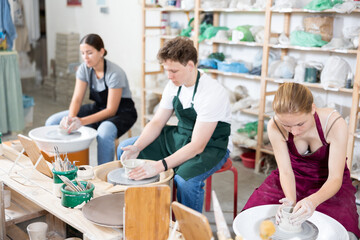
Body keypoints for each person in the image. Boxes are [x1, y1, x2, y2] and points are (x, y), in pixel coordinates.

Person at [117, 36, 232, 212]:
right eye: (166, 70)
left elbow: (197, 146)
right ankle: (146, 211)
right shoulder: (174, 84)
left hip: (210, 146)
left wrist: (159, 166)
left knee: (185, 181)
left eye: (174, 71)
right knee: (126, 148)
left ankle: (187, 231)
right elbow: (156, 122)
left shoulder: (211, 93)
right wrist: (137, 146)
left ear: (190, 65)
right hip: (181, 136)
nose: (169, 76)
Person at [243, 82, 360, 238]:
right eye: (287, 126)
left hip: (328, 183)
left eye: (300, 124)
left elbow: (335, 178)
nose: (295, 131)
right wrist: (290, 200)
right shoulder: (275, 126)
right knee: (251, 216)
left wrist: (312, 202)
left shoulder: (333, 123)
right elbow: (285, 171)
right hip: (291, 177)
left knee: (341, 231)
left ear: (312, 108)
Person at [46, 34, 137, 165]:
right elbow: (77, 99)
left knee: (104, 133)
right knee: (53, 121)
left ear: (101, 52)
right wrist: (71, 119)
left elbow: (111, 110)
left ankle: (102, 174)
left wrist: (81, 121)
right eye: (82, 53)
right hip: (98, 107)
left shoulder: (115, 73)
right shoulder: (84, 69)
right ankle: (64, 167)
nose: (85, 57)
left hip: (121, 112)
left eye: (89, 53)